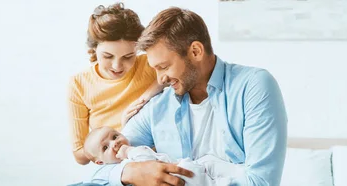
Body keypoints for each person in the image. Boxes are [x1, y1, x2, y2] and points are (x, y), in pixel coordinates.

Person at [85, 6, 288, 186]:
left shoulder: (252, 86)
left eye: (163, 67)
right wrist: (130, 172)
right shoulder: (158, 106)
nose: (160, 79)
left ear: (196, 51)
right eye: (154, 69)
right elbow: (97, 169)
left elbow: (261, 181)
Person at [67, 2, 164, 165]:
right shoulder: (79, 84)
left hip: (157, 158)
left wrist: (146, 97)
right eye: (108, 56)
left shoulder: (149, 64)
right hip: (115, 167)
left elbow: (180, 74)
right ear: (93, 49)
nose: (117, 66)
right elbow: (79, 155)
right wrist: (118, 135)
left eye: (128, 57)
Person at [82, 126, 232, 186]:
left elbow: (148, 160)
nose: (114, 143)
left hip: (185, 169)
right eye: (105, 147)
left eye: (115, 136)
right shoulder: (121, 167)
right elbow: (146, 163)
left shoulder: (132, 151)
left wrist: (129, 151)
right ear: (100, 162)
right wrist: (130, 152)